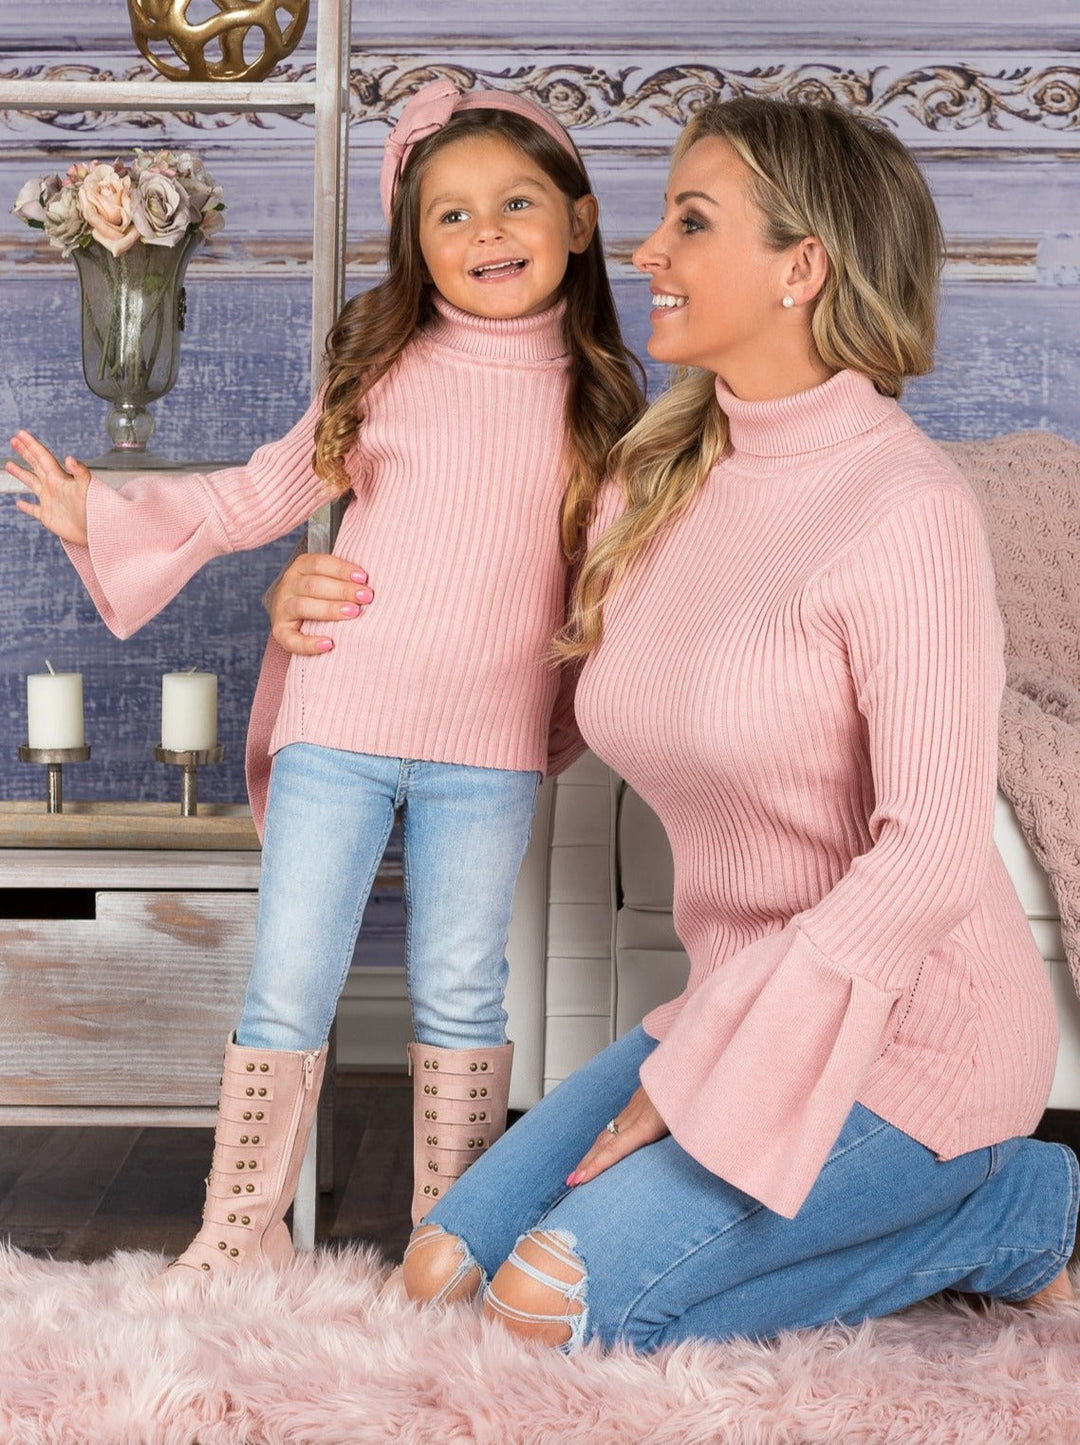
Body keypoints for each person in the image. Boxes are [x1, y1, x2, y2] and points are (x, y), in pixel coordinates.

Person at [274, 95, 1079, 1350]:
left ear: (802, 267)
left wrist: (717, 1080)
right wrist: (314, 608)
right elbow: (493, 643)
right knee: (440, 1271)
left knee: (548, 1304)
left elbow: (926, 856)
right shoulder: (655, 481)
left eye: (692, 222)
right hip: (726, 1004)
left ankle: (1008, 1205)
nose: (646, 249)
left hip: (914, 1039)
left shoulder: (904, 507)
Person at [6, 80, 643, 1278]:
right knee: (288, 978)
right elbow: (257, 494)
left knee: (462, 989)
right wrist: (107, 512)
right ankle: (240, 1231)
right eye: (449, 214)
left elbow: (616, 594)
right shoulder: (386, 367)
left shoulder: (602, 406)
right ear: (415, 243)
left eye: (515, 203)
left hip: (488, 749)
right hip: (340, 719)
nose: (486, 231)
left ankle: (447, 1244)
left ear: (580, 217)